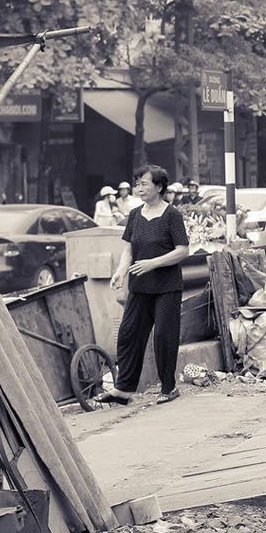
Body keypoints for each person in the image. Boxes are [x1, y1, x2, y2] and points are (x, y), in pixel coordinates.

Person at [98, 167, 190, 406]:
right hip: (139, 285)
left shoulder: (172, 215)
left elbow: (182, 250)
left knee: (163, 336)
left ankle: (169, 388)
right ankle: (123, 390)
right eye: (137, 184)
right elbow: (128, 248)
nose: (139, 188)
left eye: (144, 184)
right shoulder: (136, 215)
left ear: (159, 187)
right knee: (129, 334)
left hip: (166, 286)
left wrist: (153, 264)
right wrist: (120, 270)